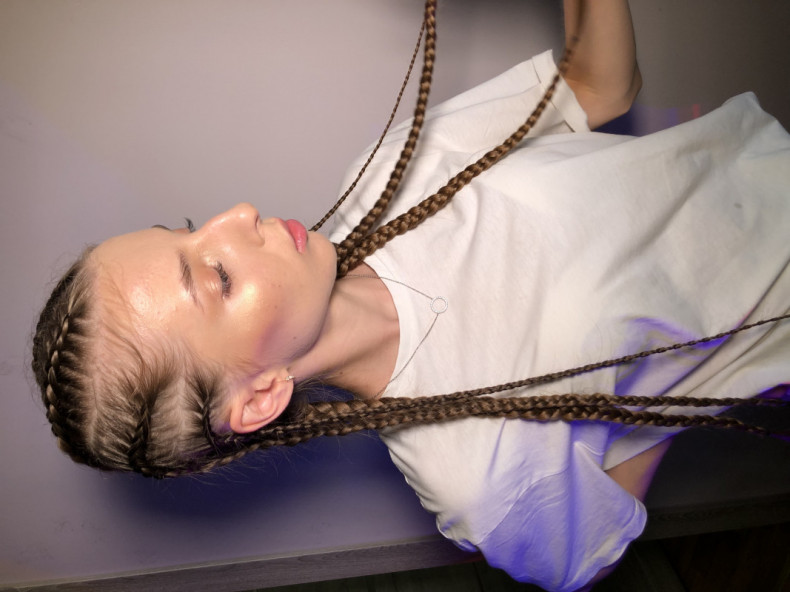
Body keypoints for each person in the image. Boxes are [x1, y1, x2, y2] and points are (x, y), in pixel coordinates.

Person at [31, 1, 790, 590]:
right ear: (260, 397)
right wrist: (666, 390)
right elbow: (589, 550)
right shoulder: (474, 476)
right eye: (217, 278)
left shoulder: (384, 174)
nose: (238, 215)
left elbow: (599, 85)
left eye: (192, 228)